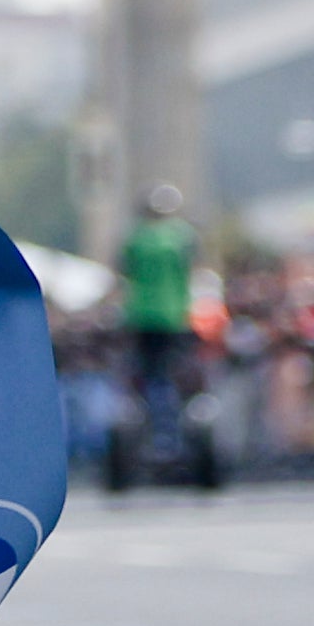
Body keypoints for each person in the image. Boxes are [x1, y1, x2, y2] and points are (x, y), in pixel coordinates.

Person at [122, 181, 196, 444]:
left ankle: (157, 424)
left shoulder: (137, 238)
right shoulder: (182, 236)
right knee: (175, 372)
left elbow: (125, 269)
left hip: (143, 315)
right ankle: (171, 427)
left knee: (150, 373)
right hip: (175, 315)